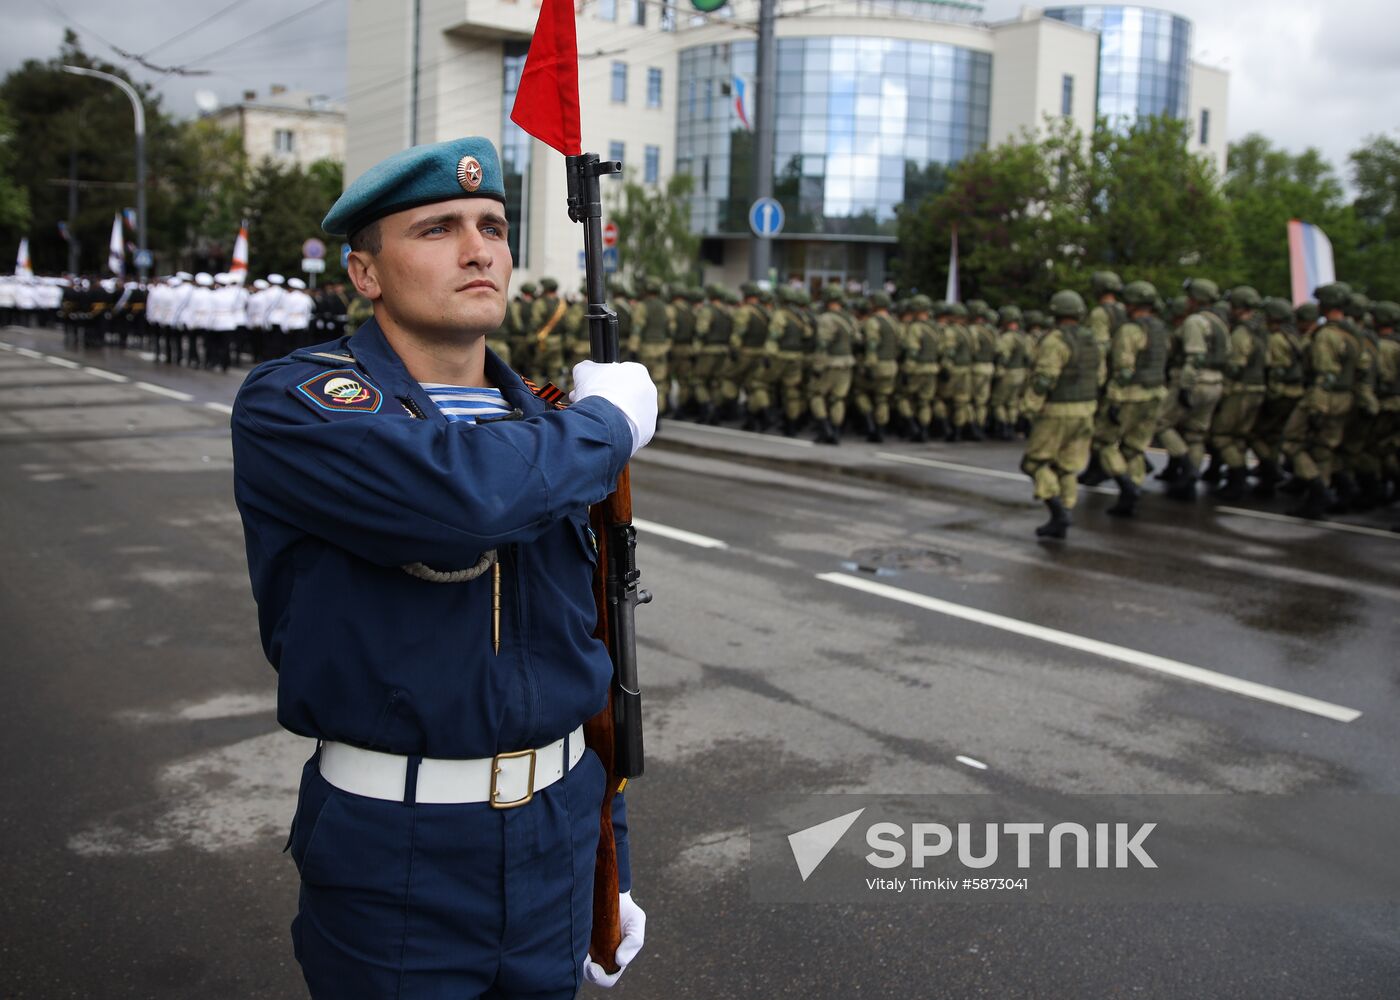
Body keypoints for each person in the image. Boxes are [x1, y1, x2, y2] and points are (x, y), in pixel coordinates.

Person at [230, 136, 654, 998]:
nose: (477, 250)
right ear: (365, 274)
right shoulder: (298, 403)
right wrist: (608, 427)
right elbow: (464, 503)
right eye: (436, 228)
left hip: (559, 837)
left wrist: (611, 856)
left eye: (493, 226)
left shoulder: (542, 420)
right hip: (398, 849)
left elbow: (591, 655)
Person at [1019, 290, 1105, 539]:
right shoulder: (1092, 341)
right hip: (1086, 408)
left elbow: (1044, 379)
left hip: (1057, 410)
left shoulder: (1055, 340)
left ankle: (1058, 512)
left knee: (1034, 462)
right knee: (1067, 466)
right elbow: (1099, 376)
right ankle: (1065, 512)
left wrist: (1029, 409)